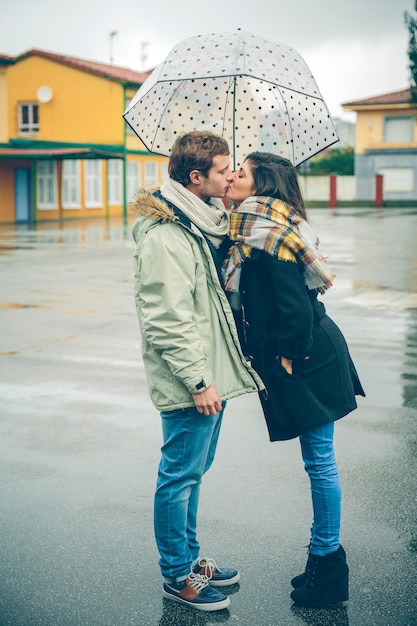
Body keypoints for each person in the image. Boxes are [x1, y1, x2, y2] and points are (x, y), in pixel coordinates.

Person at [223, 152, 365, 609]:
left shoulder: (267, 233)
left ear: (261, 183)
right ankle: (323, 560)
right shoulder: (253, 227)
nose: (231, 177)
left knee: (320, 461)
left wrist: (289, 354)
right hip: (305, 353)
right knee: (317, 461)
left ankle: (327, 566)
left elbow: (294, 306)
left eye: (239, 173)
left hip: (307, 357)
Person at [131, 132, 264, 612]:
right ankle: (176, 576)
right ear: (195, 178)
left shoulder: (203, 223)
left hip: (209, 373)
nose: (231, 176)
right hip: (193, 380)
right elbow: (167, 318)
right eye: (223, 170)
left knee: (193, 472)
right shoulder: (167, 235)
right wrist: (199, 381)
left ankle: (188, 559)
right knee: (179, 475)